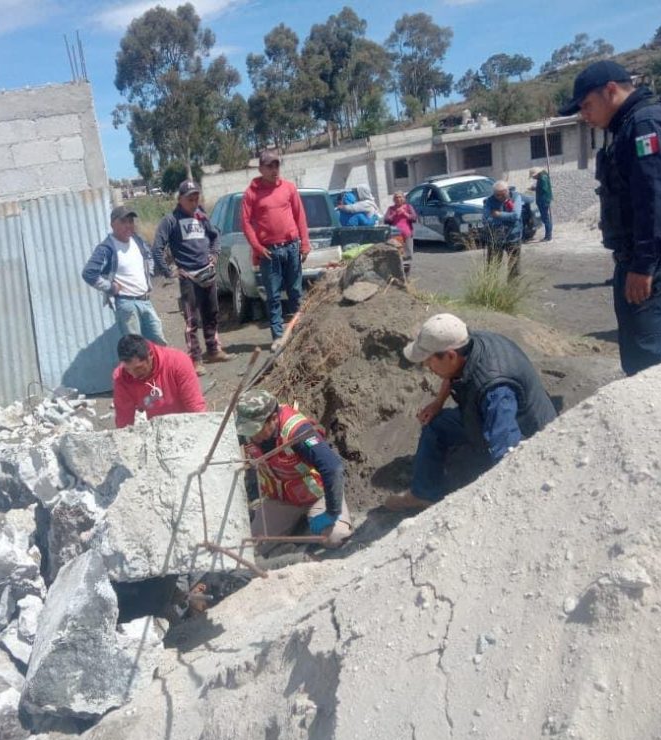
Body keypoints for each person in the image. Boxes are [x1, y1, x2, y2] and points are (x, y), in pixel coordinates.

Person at [558, 60, 661, 376]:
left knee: (651, 367)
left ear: (610, 90)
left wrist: (643, 265)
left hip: (657, 267)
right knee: (638, 362)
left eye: (586, 105)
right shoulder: (629, 125)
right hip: (645, 263)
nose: (585, 115)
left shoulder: (646, 124)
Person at [384, 313, 557, 512]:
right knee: (436, 424)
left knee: (499, 453)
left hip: (529, 436)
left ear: (450, 355)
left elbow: (509, 454)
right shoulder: (470, 342)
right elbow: (453, 373)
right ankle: (425, 494)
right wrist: (438, 402)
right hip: (481, 412)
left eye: (428, 360)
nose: (425, 366)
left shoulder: (495, 391)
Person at [236, 389, 353, 547]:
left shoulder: (297, 431)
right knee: (252, 547)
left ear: (273, 419)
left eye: (256, 430)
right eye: (248, 431)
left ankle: (309, 528)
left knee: (336, 537)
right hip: (281, 500)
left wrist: (331, 512)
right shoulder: (246, 430)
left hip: (316, 495)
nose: (253, 436)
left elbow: (333, 467)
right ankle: (294, 540)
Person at [151, 180, 231, 375]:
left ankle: (213, 350)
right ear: (180, 199)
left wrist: (214, 253)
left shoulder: (201, 216)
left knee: (211, 313)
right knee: (192, 320)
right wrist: (169, 271)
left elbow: (215, 236)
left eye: (196, 198)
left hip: (207, 273)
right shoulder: (170, 220)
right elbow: (157, 249)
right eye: (190, 199)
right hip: (189, 277)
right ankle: (195, 360)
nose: (194, 202)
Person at [241, 149, 311, 343]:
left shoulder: (288, 187)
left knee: (296, 293)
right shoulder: (252, 194)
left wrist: (304, 243)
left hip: (291, 247)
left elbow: (300, 215)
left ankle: (300, 335)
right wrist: (257, 247)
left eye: (276, 165)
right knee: (273, 297)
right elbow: (245, 223)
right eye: (269, 166)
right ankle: (278, 339)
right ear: (261, 168)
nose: (274, 169)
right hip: (269, 252)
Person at [82, 205, 171, 346]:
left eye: (130, 221)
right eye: (123, 221)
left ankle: (160, 368)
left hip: (145, 299)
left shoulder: (137, 240)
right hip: (126, 303)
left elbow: (148, 257)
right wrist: (110, 287)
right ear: (112, 224)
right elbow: (89, 273)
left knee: (158, 342)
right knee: (136, 348)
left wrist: (149, 274)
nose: (128, 225)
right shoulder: (106, 248)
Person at [111, 334, 205, 428]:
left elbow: (196, 409)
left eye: (138, 368)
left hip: (186, 423)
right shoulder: (121, 377)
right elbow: (123, 420)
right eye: (128, 369)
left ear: (150, 355)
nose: (134, 375)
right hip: (156, 428)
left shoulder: (178, 362)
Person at [482, 181, 524, 279]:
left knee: (514, 267)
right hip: (495, 238)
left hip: (513, 237)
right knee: (492, 266)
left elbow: (516, 216)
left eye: (503, 194)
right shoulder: (489, 201)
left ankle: (513, 290)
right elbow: (486, 219)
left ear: (507, 191)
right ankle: (491, 289)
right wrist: (507, 219)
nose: (500, 197)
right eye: (497, 195)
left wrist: (498, 214)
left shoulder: (516, 197)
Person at [384, 190, 418, 261]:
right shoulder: (391, 209)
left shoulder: (408, 207)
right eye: (396, 197)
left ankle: (407, 269)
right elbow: (386, 220)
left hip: (407, 234)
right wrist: (394, 214)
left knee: (408, 254)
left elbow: (414, 218)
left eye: (400, 197)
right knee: (397, 253)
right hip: (395, 234)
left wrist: (405, 213)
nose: (398, 199)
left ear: (403, 198)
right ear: (394, 199)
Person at [528, 167, 554, 242]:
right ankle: (548, 236)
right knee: (546, 218)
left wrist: (534, 188)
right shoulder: (544, 176)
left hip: (543, 200)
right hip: (545, 199)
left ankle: (548, 236)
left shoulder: (542, 178)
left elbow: (544, 188)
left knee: (545, 218)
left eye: (533, 176)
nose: (533, 178)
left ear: (536, 174)